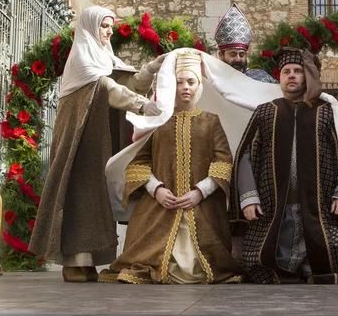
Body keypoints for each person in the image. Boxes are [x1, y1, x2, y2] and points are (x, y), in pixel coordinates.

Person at [29, 6, 163, 283]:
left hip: (96, 141)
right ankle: (73, 264)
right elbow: (108, 89)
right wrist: (141, 105)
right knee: (78, 197)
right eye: (104, 26)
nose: (109, 31)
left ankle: (88, 263)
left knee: (95, 197)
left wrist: (150, 69)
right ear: (90, 27)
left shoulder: (104, 57)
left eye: (111, 26)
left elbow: (129, 82)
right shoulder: (82, 58)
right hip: (78, 142)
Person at [229, 47, 338, 284]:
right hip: (272, 209)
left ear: (307, 76)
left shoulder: (327, 112)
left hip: (321, 209)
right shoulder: (265, 112)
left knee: (334, 259)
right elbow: (246, 156)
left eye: (298, 71)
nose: (291, 75)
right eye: (286, 72)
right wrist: (249, 198)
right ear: (279, 78)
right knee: (256, 261)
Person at [98, 51, 243, 284]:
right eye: (179, 82)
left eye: (191, 81)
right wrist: (156, 189)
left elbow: (223, 160)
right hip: (160, 206)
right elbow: (139, 161)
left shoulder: (211, 120)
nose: (185, 87)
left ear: (199, 84)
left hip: (203, 206)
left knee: (208, 258)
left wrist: (200, 192)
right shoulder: (157, 122)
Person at [215, 3, 278, 83]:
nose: (238, 59)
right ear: (221, 55)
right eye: (233, 54)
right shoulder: (214, 81)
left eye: (241, 54)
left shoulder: (261, 78)